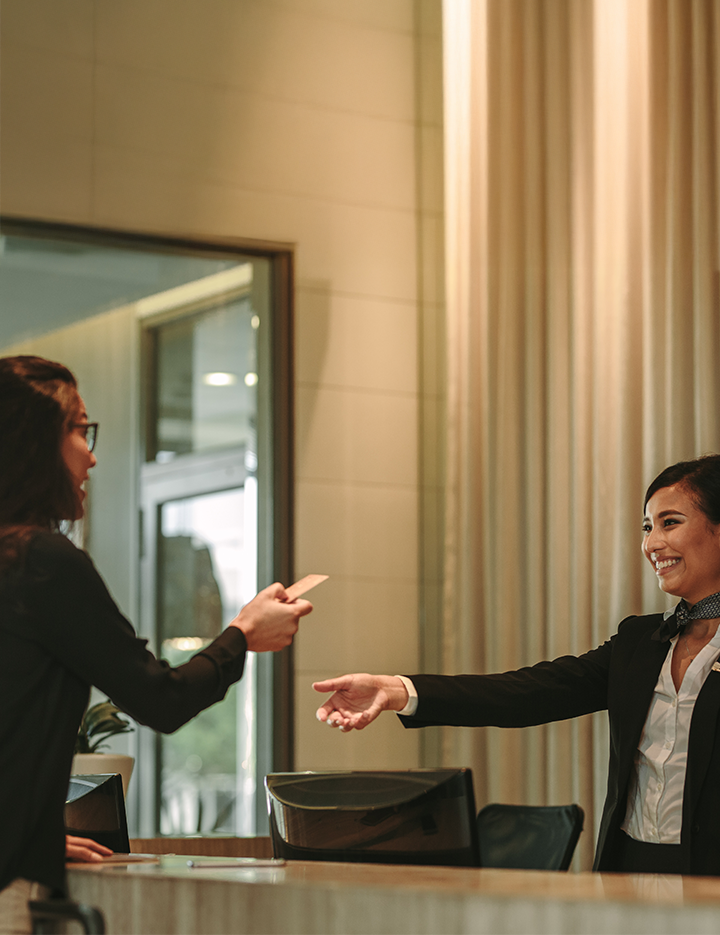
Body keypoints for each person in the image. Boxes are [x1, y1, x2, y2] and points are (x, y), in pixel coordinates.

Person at [0, 355, 313, 933]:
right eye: (79, 429)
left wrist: (27, 835)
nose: (91, 454)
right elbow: (159, 699)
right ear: (33, 439)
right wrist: (242, 635)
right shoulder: (39, 561)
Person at [315, 455, 720, 876]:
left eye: (670, 522)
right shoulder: (641, 641)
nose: (652, 544)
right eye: (647, 527)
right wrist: (400, 690)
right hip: (628, 874)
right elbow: (529, 693)